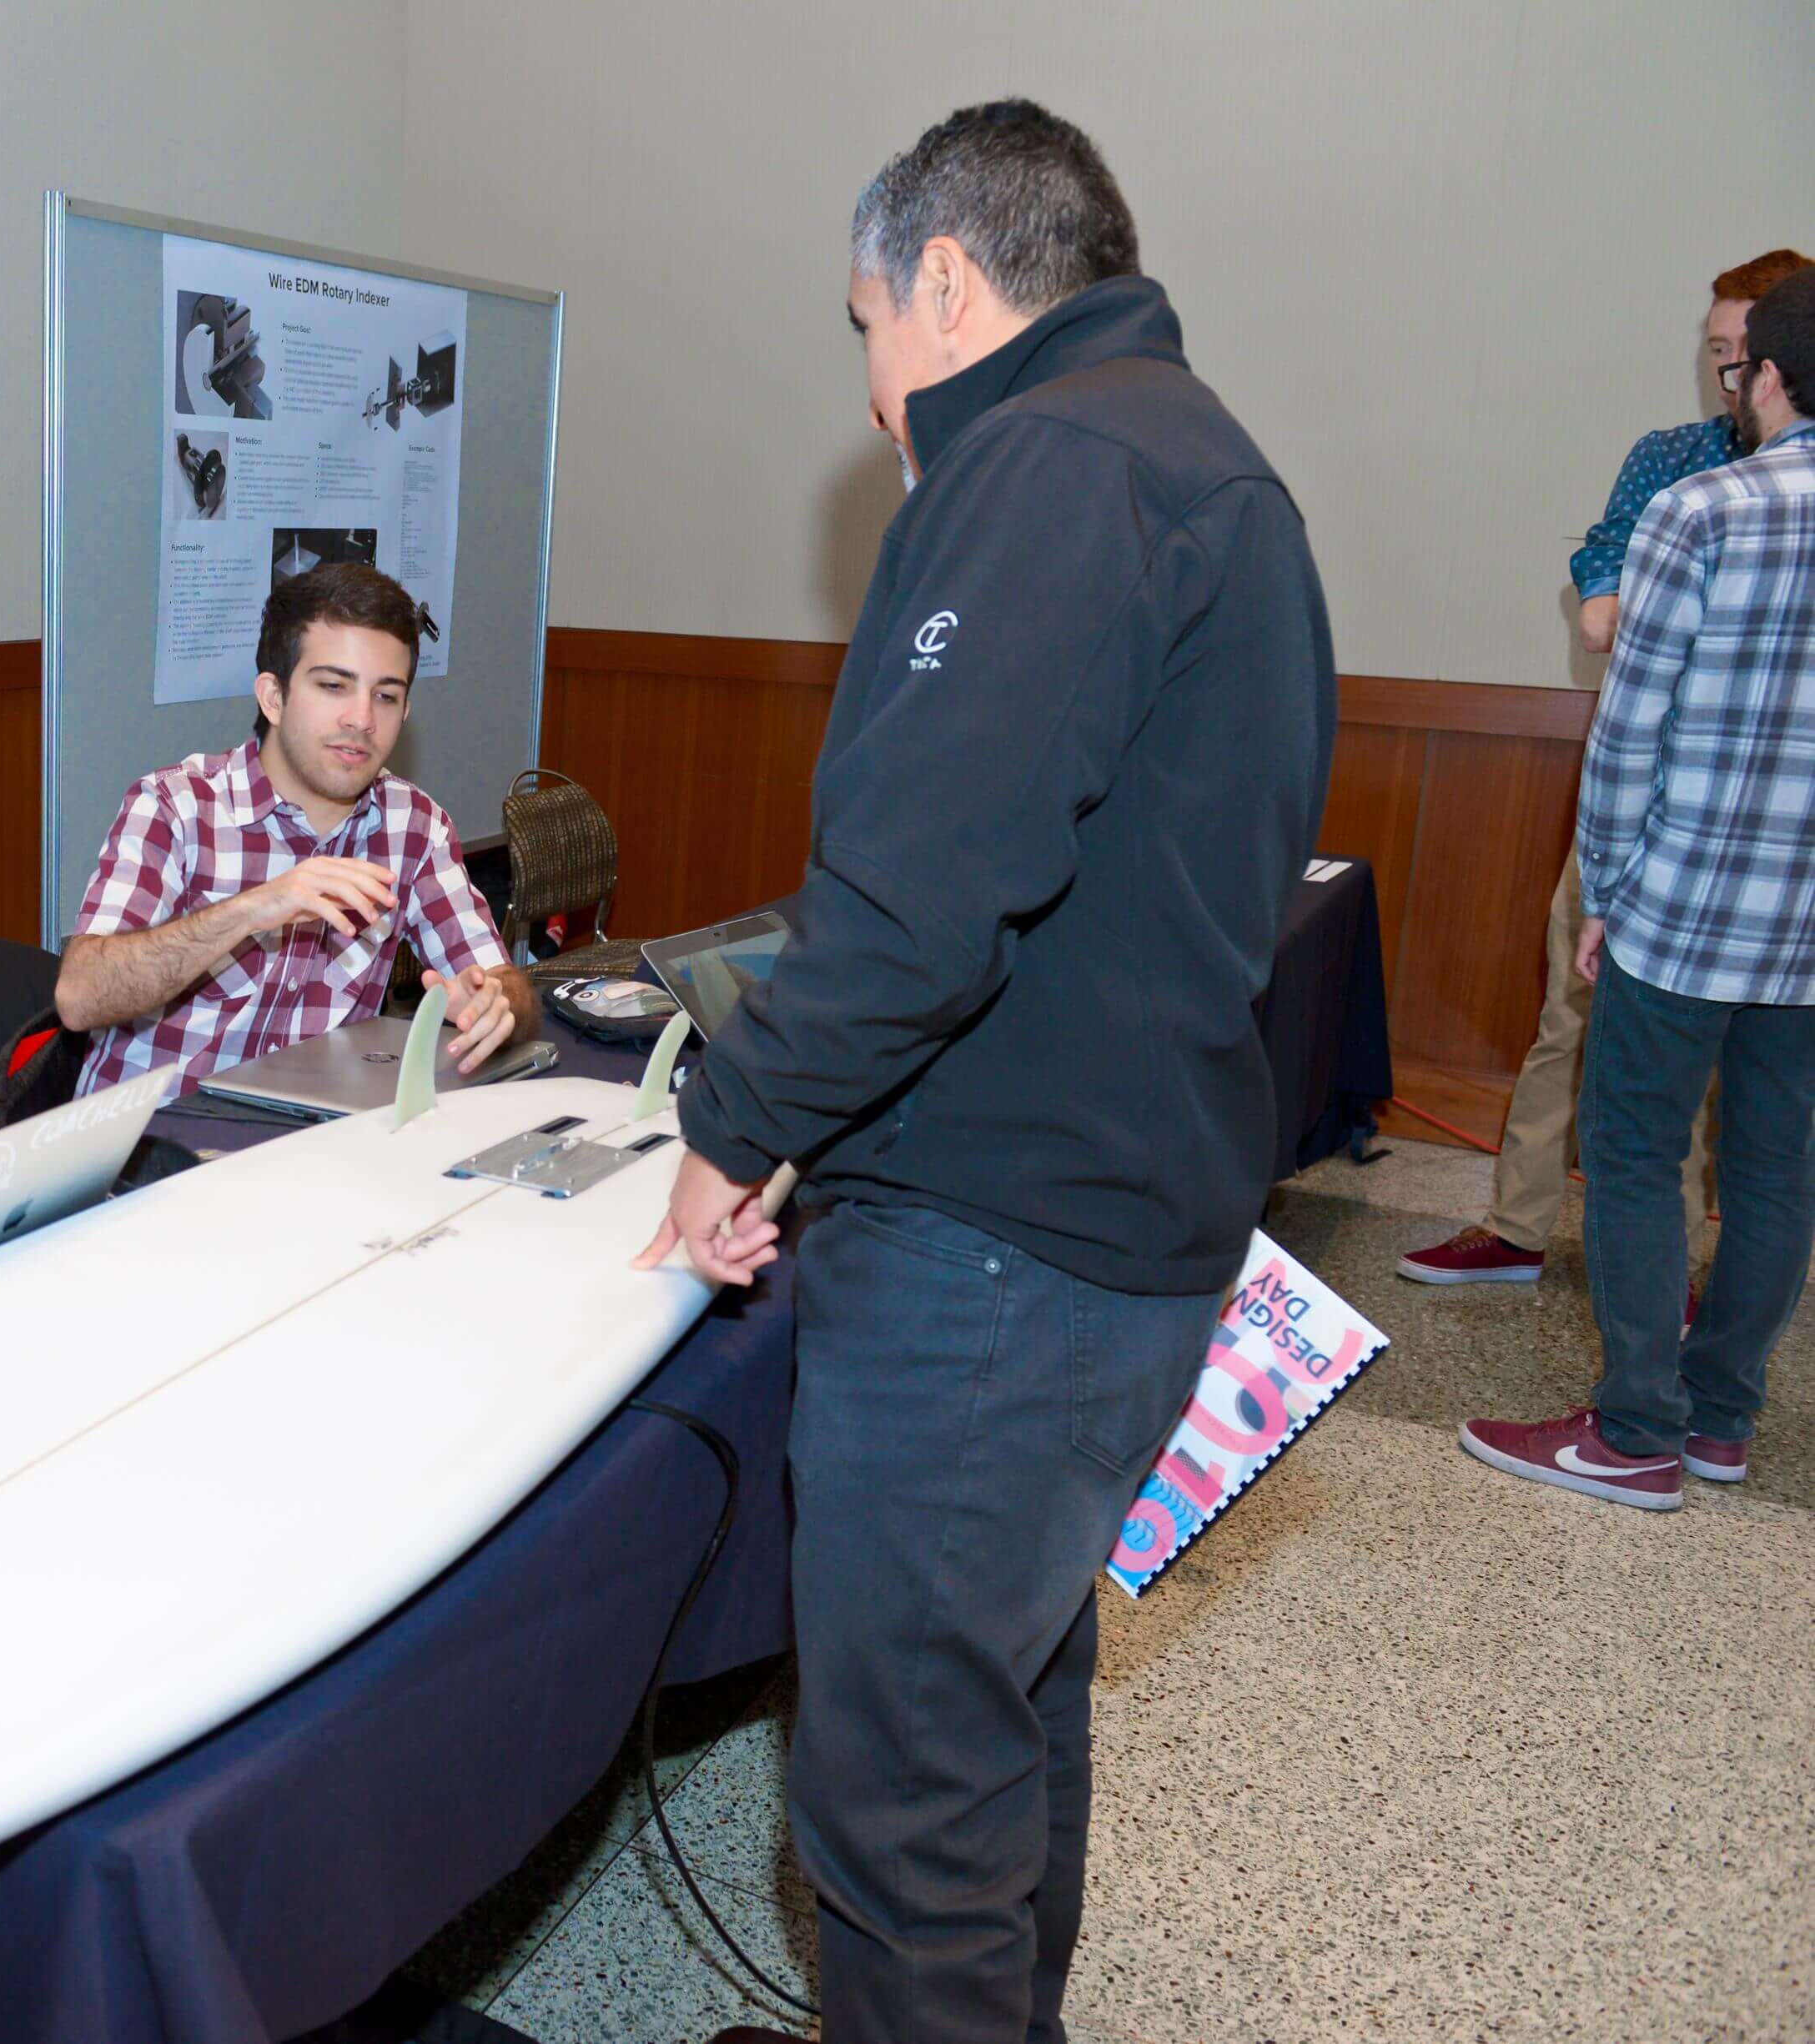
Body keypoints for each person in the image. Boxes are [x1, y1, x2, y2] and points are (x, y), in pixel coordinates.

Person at [634, 102, 1332, 2043]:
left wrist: (730, 1128)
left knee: (898, 1814)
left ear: (945, 283)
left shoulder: (1043, 464)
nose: (870, 401)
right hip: (1127, 1235)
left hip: (990, 1265)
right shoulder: (1209, 466)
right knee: (1011, 1710)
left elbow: (918, 895)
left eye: (863, 328)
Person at [1460, 268, 1815, 1510]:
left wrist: (1601, 890)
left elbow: (1628, 735)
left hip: (1682, 903)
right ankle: (1719, 1418)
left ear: (1763, 376)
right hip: (1806, 932)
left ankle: (1633, 1433)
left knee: (1628, 1153)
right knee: (1775, 1172)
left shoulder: (1703, 509)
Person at [1398, 249, 1808, 1289]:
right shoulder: (1671, 458)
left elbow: (1637, 620)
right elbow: (1596, 597)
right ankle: (1516, 1226)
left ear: (1781, 360)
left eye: (1735, 354)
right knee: (1564, 1020)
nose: (1722, 374)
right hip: (1630, 808)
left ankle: (1663, 1282)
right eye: (1711, 352)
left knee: (1714, 1090)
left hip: (1757, 840)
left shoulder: (1734, 498)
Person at [56, 561, 533, 1096]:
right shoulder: (177, 807)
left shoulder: (413, 827)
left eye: (386, 696)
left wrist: (495, 1002)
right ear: (274, 698)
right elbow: (80, 996)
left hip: (303, 1146)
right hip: (153, 1148)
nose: (362, 719)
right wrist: (254, 909)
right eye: (334, 686)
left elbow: (504, 980)